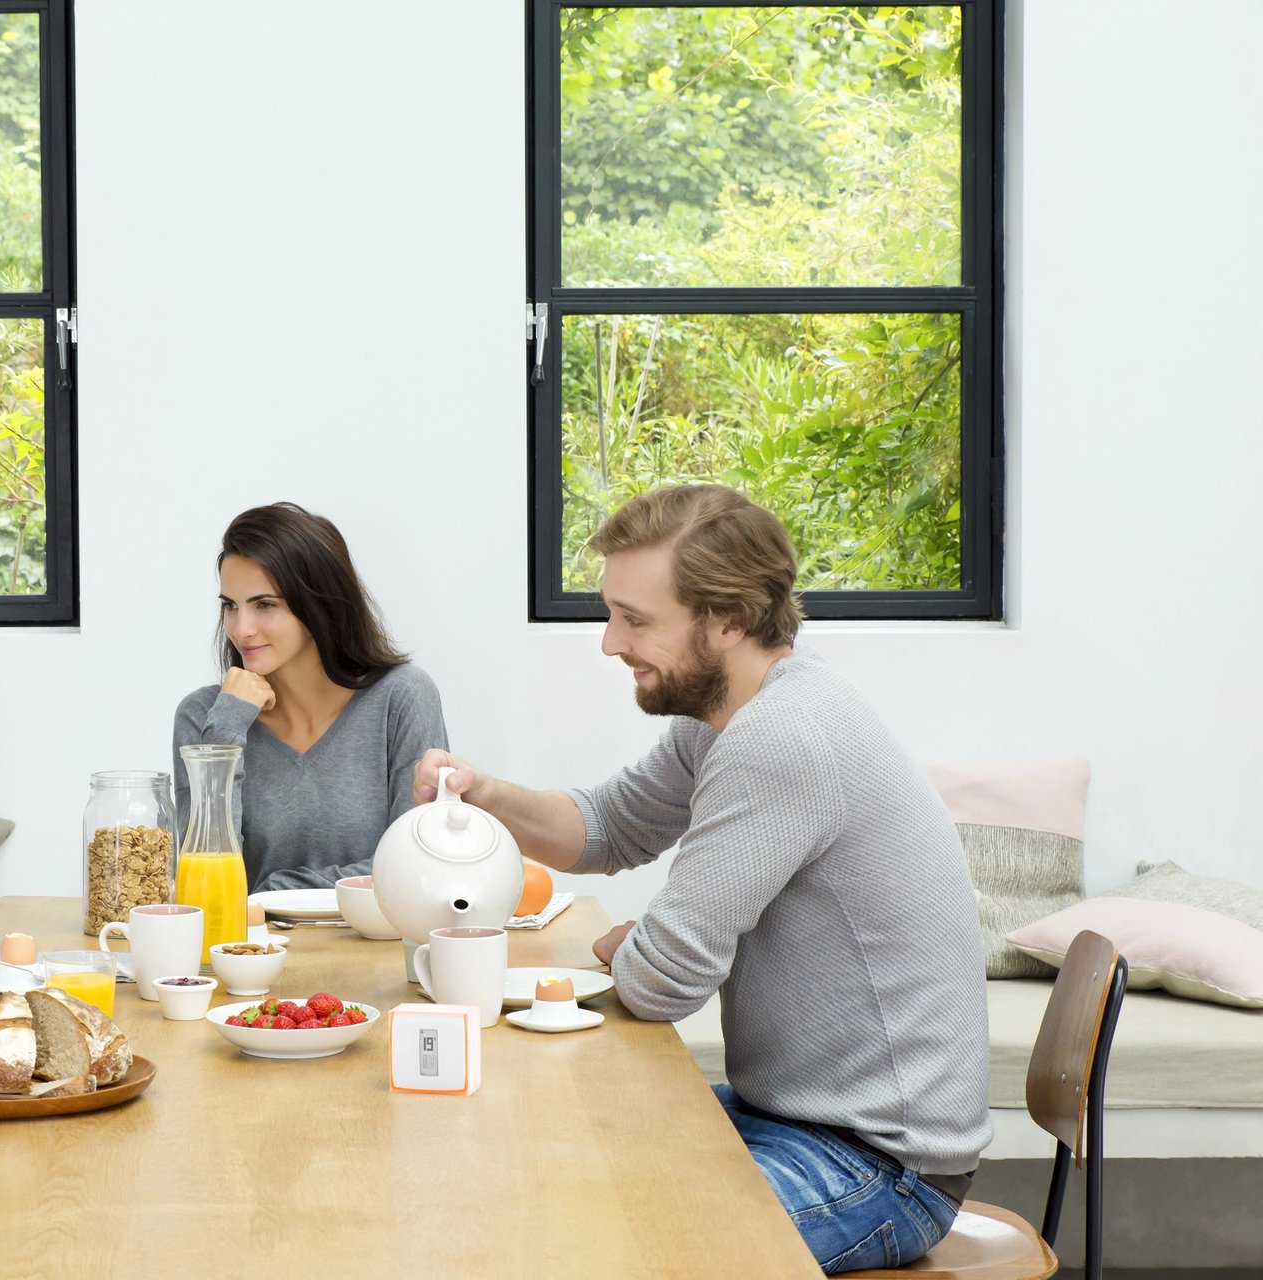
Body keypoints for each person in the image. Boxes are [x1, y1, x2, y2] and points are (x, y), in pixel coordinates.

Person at [415, 485, 989, 1274]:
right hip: (787, 1120)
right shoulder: (730, 714)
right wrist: (484, 794)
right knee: (543, 1157)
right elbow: (610, 826)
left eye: (636, 619)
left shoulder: (780, 738)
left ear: (729, 620)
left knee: (593, 1244)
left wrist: (634, 949)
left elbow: (664, 981)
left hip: (878, 1167)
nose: (610, 643)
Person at [172, 502, 448, 892]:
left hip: (372, 934)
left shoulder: (402, 698)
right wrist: (227, 730)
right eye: (230, 606)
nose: (241, 628)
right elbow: (203, 886)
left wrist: (278, 891)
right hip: (248, 936)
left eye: (265, 605)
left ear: (320, 604)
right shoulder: (205, 716)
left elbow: (418, 864)